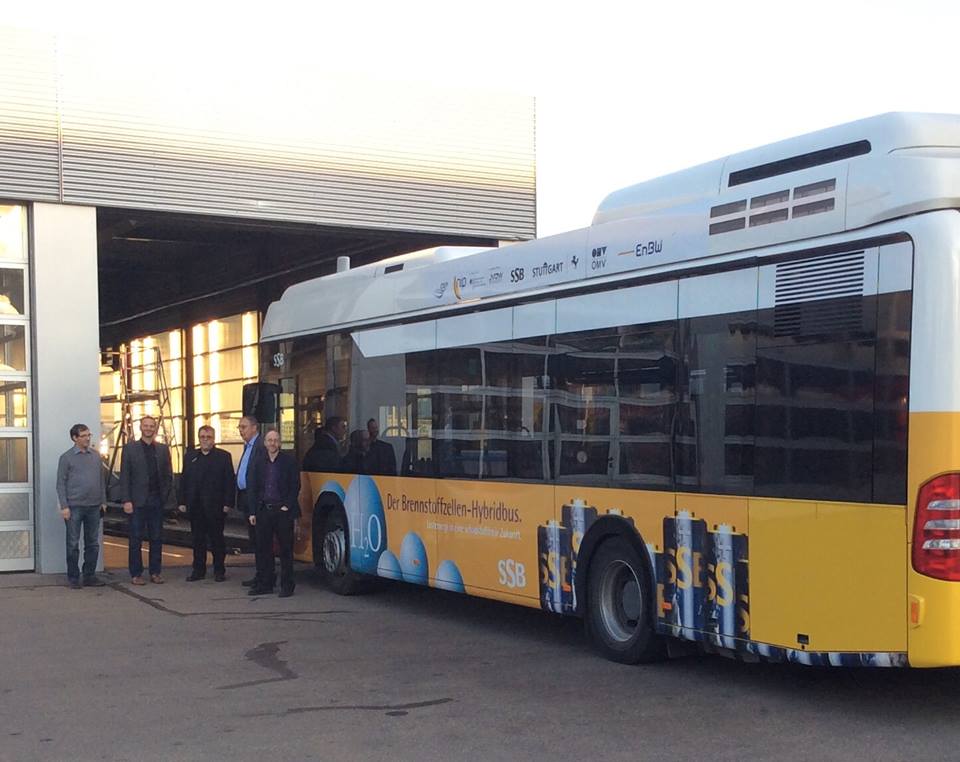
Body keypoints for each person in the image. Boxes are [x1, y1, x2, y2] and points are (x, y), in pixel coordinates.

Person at [118, 415, 173, 585]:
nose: (149, 428)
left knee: (156, 538)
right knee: (136, 538)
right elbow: (125, 476)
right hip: (136, 501)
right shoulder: (130, 449)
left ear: (155, 429)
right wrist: (126, 500)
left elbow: (168, 475)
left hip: (156, 500)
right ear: (140, 428)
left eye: (151, 426)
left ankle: (155, 572)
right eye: (146, 426)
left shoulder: (163, 449)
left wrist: (166, 498)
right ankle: (136, 574)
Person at [177, 425, 236, 582]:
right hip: (196, 506)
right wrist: (182, 501)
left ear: (213, 439)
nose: (205, 440)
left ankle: (219, 570)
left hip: (216, 506)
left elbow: (229, 481)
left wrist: (228, 503)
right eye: (202, 437)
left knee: (217, 540)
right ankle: (198, 570)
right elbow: (184, 480)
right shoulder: (190, 456)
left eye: (208, 437)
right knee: (197, 540)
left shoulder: (224, 457)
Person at [246, 430, 300, 597]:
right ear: (265, 443)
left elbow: (295, 485)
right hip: (263, 510)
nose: (272, 443)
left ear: (280, 443)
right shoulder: (258, 462)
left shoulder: (288, 461)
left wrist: (287, 506)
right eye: (269, 440)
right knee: (263, 550)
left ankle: (287, 585)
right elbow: (252, 487)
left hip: (282, 511)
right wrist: (252, 511)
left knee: (285, 550)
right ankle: (265, 583)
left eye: (276, 440)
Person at [56, 423, 107, 589]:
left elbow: (101, 481)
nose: (87, 438)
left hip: (94, 506)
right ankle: (73, 577)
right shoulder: (66, 458)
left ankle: (89, 575)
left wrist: (103, 501)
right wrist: (64, 506)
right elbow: (60, 484)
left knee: (92, 543)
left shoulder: (96, 456)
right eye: (84, 436)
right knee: (73, 544)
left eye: (88, 435)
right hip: (74, 507)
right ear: (74, 438)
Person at [236, 415, 266, 588]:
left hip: (256, 499)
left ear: (254, 428)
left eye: (244, 427)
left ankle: (263, 576)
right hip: (246, 498)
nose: (241, 430)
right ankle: (259, 574)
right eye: (239, 427)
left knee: (261, 539)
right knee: (254, 539)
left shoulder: (260, 446)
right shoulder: (248, 446)